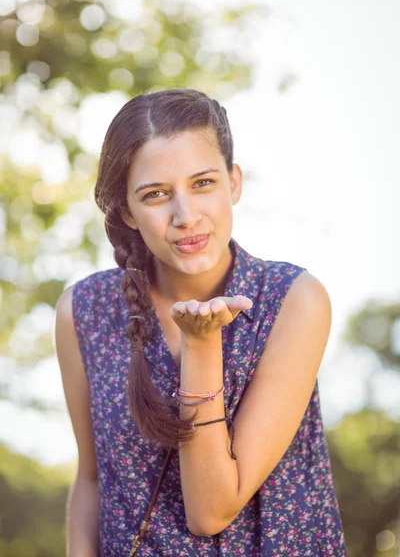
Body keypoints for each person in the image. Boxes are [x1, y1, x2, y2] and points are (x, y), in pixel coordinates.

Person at [54, 88, 348, 556]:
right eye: (156, 194)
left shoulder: (292, 299)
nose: (185, 216)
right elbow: (91, 480)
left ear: (234, 182)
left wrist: (203, 347)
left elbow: (211, 511)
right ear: (127, 211)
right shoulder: (83, 311)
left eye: (203, 183)